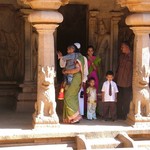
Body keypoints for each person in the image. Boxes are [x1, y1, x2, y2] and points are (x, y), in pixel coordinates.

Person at [62, 50, 85, 124]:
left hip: (76, 78)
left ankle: (74, 117)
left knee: (68, 96)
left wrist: (67, 72)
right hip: (75, 78)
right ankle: (71, 118)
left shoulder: (78, 58)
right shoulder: (80, 57)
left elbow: (77, 69)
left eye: (70, 51)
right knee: (73, 97)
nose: (68, 52)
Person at [115, 41, 133, 120]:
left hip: (128, 82)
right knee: (119, 99)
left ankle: (125, 114)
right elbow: (118, 67)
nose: (121, 49)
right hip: (119, 81)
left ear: (127, 47)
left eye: (122, 47)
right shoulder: (121, 56)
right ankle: (119, 114)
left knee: (126, 99)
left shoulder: (133, 56)